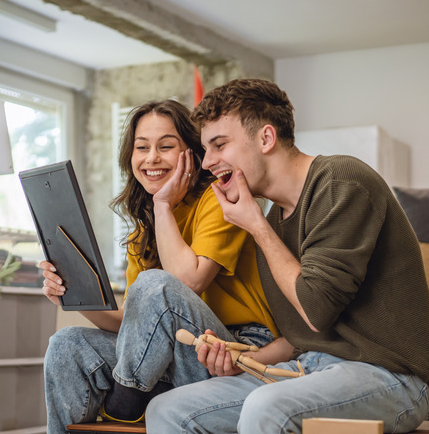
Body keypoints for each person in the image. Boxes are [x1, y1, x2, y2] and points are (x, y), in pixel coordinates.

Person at [145, 79, 429, 433]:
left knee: (268, 407)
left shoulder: (341, 182)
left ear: (266, 138)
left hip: (392, 377)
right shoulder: (274, 219)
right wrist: (242, 361)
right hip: (309, 367)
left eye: (219, 145)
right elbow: (298, 336)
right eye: (205, 148)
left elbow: (317, 309)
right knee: (168, 409)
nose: (208, 162)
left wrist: (258, 227)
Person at [39, 99, 279, 433]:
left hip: (236, 347)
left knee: (155, 283)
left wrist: (163, 204)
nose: (152, 158)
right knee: (66, 344)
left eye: (166, 146)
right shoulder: (143, 230)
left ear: (191, 155)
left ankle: (124, 408)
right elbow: (135, 323)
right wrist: (72, 293)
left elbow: (187, 282)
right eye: (142, 148)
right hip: (177, 349)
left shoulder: (219, 198)